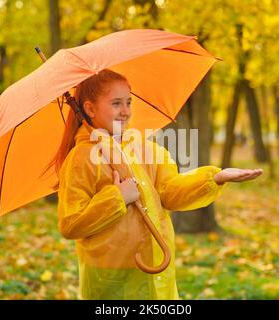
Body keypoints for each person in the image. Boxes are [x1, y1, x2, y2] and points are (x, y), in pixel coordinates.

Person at [55, 69, 263, 300]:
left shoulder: (146, 149)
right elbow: (71, 224)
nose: (125, 112)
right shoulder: (81, 158)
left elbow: (170, 192)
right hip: (111, 277)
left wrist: (215, 178)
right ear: (90, 108)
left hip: (156, 267)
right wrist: (117, 197)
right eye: (116, 103)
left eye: (128, 102)